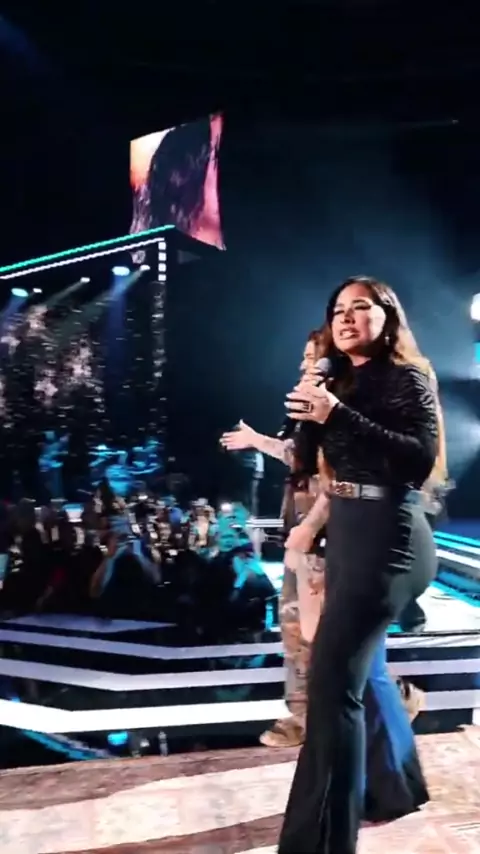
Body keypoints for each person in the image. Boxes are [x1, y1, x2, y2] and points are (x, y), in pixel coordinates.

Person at [278, 276, 439, 854]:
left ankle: (323, 842)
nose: (346, 317)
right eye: (338, 310)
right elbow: (305, 464)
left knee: (331, 688)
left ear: (386, 317)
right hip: (346, 531)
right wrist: (309, 410)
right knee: (350, 679)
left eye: (360, 307)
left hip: (389, 534)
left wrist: (337, 413)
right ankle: (388, 790)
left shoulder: (406, 378)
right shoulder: (337, 380)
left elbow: (418, 460)